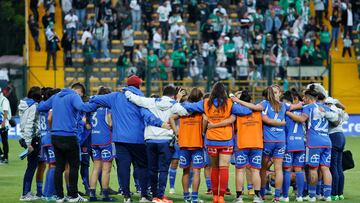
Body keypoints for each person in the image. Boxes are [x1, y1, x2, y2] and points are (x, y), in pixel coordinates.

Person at [89, 75, 168, 203]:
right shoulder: (140, 99)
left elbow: (94, 98)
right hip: (137, 140)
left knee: (123, 168)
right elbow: (147, 115)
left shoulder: (114, 97)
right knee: (142, 167)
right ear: (138, 86)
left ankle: (126, 196)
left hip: (119, 140)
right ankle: (143, 195)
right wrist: (160, 123)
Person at [182, 82, 252, 203]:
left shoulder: (205, 103)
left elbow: (187, 106)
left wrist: (202, 113)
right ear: (224, 92)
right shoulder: (229, 103)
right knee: (224, 168)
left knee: (214, 168)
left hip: (211, 140)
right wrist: (236, 103)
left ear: (213, 91)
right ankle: (221, 197)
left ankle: (214, 196)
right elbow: (247, 111)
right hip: (226, 140)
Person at [124, 86, 189, 203]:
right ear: (173, 95)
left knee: (152, 169)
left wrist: (126, 91)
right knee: (163, 170)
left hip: (150, 140)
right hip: (165, 141)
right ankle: (160, 196)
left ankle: (154, 196)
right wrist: (177, 101)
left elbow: (135, 99)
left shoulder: (152, 101)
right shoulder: (174, 104)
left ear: (162, 93)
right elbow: (184, 111)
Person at [37, 83, 98, 202]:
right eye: (81, 94)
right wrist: (96, 104)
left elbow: (41, 107)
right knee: (74, 166)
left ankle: (59, 196)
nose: (80, 96)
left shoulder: (56, 96)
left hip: (55, 136)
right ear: (77, 90)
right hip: (69, 136)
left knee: (59, 166)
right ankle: (73, 196)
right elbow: (83, 107)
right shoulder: (73, 96)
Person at [232, 86, 287, 202]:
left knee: (240, 170)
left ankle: (239, 198)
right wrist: (282, 123)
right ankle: (260, 197)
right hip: (257, 144)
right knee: (257, 171)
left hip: (242, 144)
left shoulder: (237, 112)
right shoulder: (259, 112)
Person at [285, 86, 339, 202]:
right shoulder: (326, 108)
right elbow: (336, 121)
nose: (303, 99)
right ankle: (327, 195)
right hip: (327, 141)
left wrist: (288, 113)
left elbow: (301, 119)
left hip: (314, 142)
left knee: (313, 169)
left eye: (304, 97)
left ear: (309, 98)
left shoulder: (308, 107)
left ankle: (312, 195)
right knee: (325, 169)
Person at [169, 88, 204, 203]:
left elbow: (171, 118)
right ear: (200, 98)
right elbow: (206, 119)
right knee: (196, 172)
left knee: (186, 171)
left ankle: (186, 197)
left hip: (183, 143)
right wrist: (203, 132)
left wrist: (176, 132)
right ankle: (194, 198)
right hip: (197, 143)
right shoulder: (200, 109)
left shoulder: (183, 108)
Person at [280, 90, 306, 202]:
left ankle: (285, 196)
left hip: (288, 144)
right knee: (299, 170)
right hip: (300, 144)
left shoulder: (283, 110)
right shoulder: (303, 109)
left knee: (287, 170)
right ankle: (299, 196)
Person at [19, 86, 42, 201]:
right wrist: (29, 144)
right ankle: (25, 193)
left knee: (31, 167)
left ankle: (26, 192)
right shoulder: (33, 106)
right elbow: (30, 124)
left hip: (27, 138)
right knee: (31, 167)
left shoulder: (24, 104)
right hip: (33, 139)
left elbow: (24, 123)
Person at [326, 97, 348, 201]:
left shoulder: (330, 111)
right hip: (341, 136)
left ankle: (334, 193)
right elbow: (346, 116)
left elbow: (334, 122)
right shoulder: (339, 111)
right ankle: (340, 193)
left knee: (333, 166)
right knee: (339, 166)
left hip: (333, 137)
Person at [0, 88, 11, 164]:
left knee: (4, 141)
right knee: (4, 141)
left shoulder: (4, 100)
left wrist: (3, 122)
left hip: (3, 123)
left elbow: (5, 111)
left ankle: (5, 157)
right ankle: (1, 155)